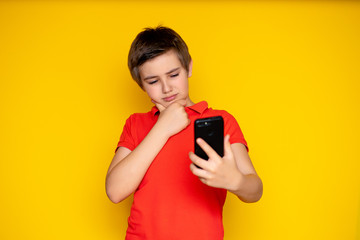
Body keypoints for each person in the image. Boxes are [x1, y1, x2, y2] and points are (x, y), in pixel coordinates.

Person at [105, 26, 263, 240]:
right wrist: (162, 127)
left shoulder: (221, 120)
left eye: (173, 75)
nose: (167, 88)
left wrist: (236, 181)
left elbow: (255, 190)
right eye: (153, 81)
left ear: (188, 68)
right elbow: (115, 191)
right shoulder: (136, 124)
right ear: (141, 84)